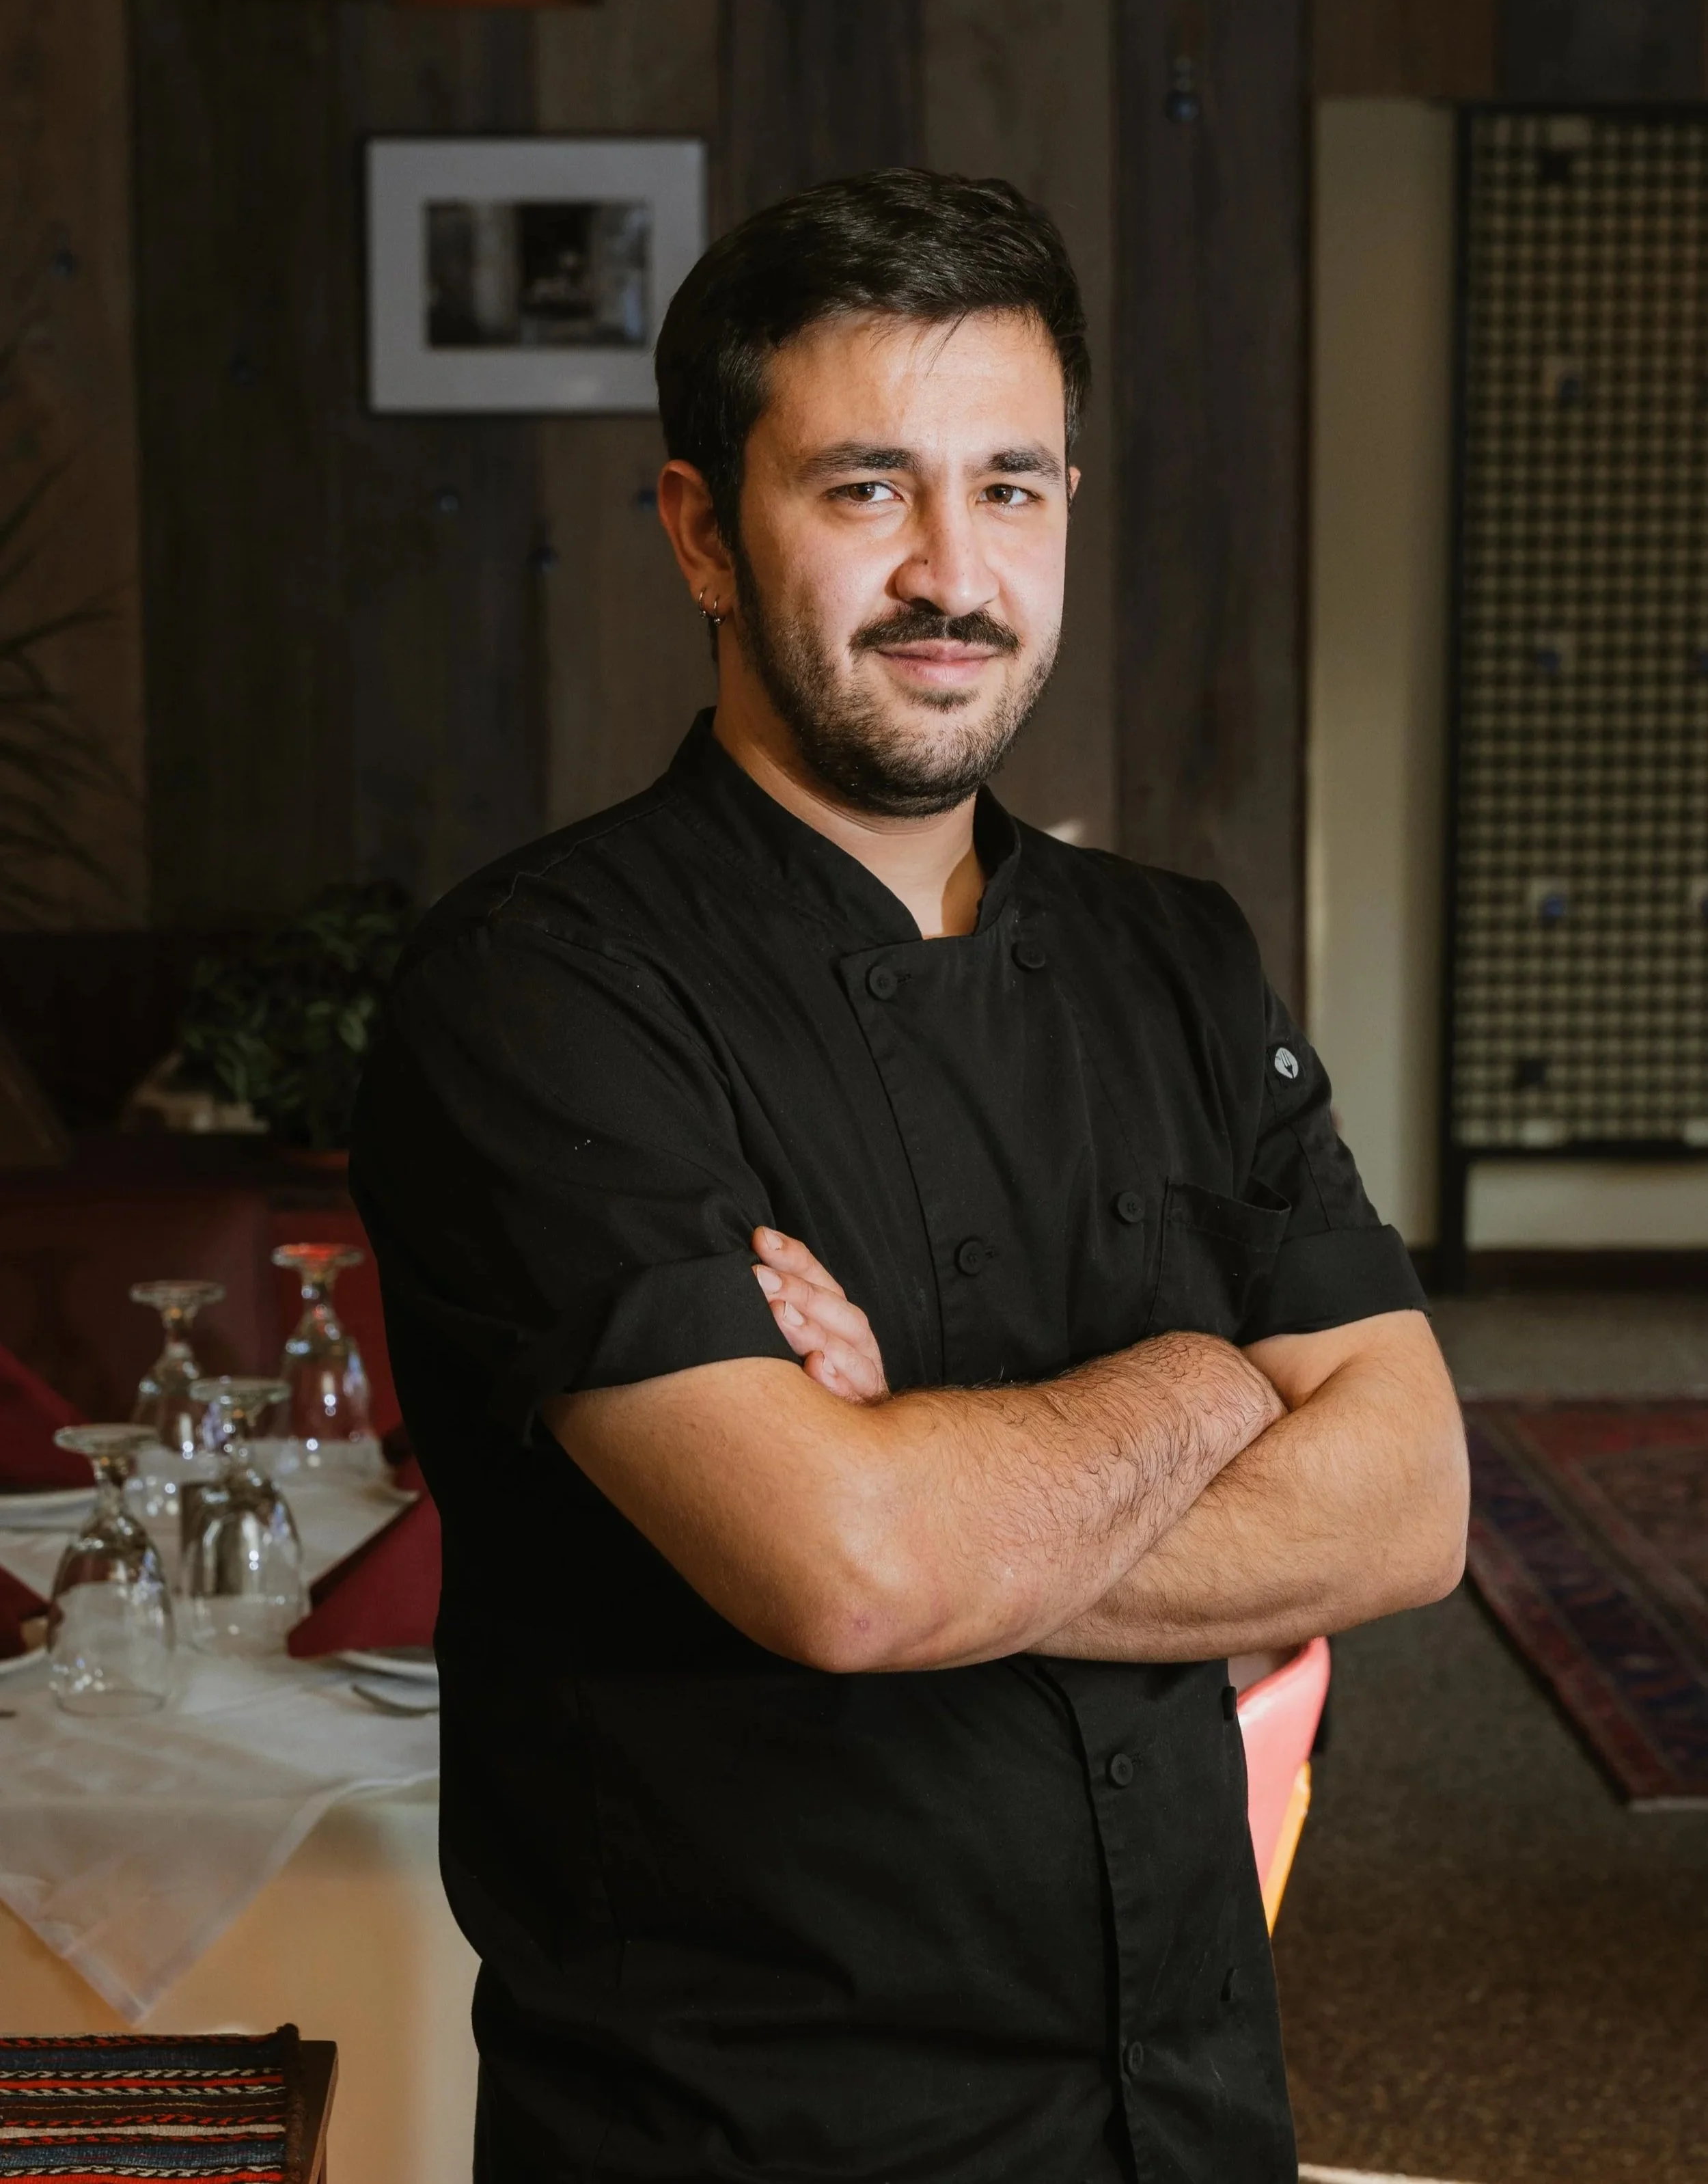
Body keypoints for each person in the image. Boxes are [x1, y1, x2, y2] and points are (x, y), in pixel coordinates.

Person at [351, 167, 1468, 2184]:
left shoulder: (1179, 956)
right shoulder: (536, 987)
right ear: (702, 529)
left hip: (1185, 2105)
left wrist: (934, 1488)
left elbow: (1412, 1507)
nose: (954, 571)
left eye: (1010, 486)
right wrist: (1211, 1379)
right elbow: (852, 1572)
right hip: (748, 2129)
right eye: (866, 488)